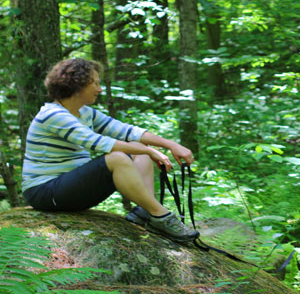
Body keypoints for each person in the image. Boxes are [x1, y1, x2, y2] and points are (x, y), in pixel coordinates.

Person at [21, 58, 198, 244]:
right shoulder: (53, 115)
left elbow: (125, 131)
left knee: (139, 150)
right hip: (44, 192)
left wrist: (171, 145)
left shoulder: (85, 113)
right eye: (95, 83)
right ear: (77, 85)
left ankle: (146, 212)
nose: (100, 89)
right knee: (118, 157)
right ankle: (161, 216)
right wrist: (150, 152)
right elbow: (97, 142)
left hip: (69, 189)